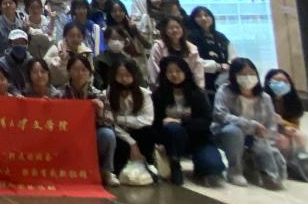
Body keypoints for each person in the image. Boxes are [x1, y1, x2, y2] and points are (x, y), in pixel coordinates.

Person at [151, 55, 225, 187]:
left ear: (185, 72)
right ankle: (175, 164)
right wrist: (158, 141)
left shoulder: (198, 94)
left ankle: (201, 163)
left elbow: (206, 121)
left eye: (178, 71)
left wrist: (181, 122)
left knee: (213, 167)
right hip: (172, 140)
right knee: (173, 128)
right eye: (170, 71)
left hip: (199, 139)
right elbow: (155, 122)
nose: (174, 75)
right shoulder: (159, 95)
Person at [213, 58, 286, 190]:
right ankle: (234, 171)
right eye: (243, 74)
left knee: (276, 169)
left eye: (251, 74)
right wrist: (250, 125)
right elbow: (221, 115)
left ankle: (252, 164)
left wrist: (267, 143)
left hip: (257, 137)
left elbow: (270, 125)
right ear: (234, 75)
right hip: (229, 133)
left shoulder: (265, 97)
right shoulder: (225, 91)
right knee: (233, 131)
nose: (248, 77)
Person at [59, 52, 118, 186]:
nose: (79, 73)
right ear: (69, 71)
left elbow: (110, 122)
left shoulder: (98, 94)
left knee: (108, 135)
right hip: (68, 134)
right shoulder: (60, 93)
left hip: (92, 134)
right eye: (75, 69)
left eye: (83, 70)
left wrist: (100, 112)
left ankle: (106, 172)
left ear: (90, 73)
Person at [108, 59, 155, 177]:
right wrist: (131, 142)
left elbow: (147, 119)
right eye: (120, 75)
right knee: (116, 141)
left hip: (137, 131)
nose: (124, 79)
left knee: (148, 132)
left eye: (128, 75)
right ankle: (117, 171)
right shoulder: (108, 93)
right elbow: (109, 121)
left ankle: (148, 164)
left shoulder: (144, 94)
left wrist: (120, 119)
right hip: (119, 133)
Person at [264, 69, 308, 179]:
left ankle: (296, 165)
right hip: (268, 130)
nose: (281, 84)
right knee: (282, 141)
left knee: (300, 137)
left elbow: (295, 126)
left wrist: (283, 124)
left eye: (284, 81)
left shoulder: (292, 101)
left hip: (285, 128)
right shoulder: (264, 99)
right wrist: (281, 127)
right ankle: (278, 165)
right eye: (276, 81)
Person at [147, 17, 204, 90]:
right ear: (165, 31)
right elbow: (153, 70)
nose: (175, 30)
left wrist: (199, 89)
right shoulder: (158, 47)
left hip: (187, 88)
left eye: (177, 27)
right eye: (170, 28)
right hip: (163, 87)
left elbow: (197, 71)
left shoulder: (192, 48)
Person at [187, 7, 233, 96]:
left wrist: (230, 64)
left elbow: (232, 55)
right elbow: (194, 61)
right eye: (199, 16)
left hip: (223, 80)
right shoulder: (190, 38)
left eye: (206, 15)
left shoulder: (220, 36)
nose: (203, 18)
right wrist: (218, 66)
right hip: (202, 81)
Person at [45, 22, 91, 88]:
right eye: (72, 36)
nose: (75, 39)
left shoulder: (87, 53)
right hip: (57, 89)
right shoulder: (55, 49)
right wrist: (61, 61)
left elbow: (90, 75)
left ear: (83, 38)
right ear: (65, 36)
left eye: (79, 36)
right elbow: (46, 72)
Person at [0, 29, 34, 94]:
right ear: (10, 44)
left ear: (27, 45)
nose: (19, 45)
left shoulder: (32, 62)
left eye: (22, 43)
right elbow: (5, 84)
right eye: (16, 43)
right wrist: (16, 94)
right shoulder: (1, 64)